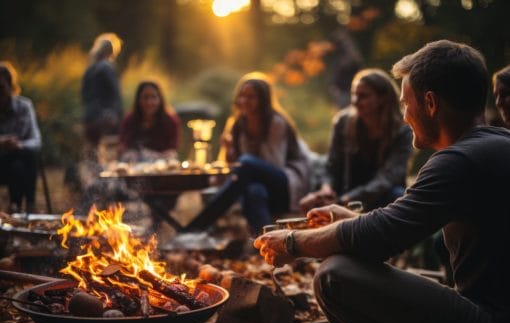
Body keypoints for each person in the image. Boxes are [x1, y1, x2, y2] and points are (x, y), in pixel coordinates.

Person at [254, 40, 509, 323]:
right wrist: (353, 220)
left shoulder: (458, 160)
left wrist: (292, 243)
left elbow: (381, 239)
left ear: (430, 103)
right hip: (492, 314)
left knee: (335, 275)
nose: (404, 116)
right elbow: (400, 225)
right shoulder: (495, 145)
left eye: (406, 104)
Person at [188, 72, 310, 235]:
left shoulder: (276, 122)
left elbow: (274, 164)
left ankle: (198, 226)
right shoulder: (238, 124)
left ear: (263, 100)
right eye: (242, 96)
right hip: (260, 185)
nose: (244, 101)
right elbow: (235, 167)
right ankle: (269, 241)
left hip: (286, 184)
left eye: (251, 97)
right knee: (254, 191)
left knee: (247, 163)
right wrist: (230, 151)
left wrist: (246, 164)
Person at [299, 68, 413, 213]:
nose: (355, 101)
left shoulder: (402, 131)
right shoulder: (343, 122)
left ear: (382, 98)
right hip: (344, 193)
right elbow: (332, 164)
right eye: (354, 94)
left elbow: (387, 178)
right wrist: (326, 189)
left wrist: (348, 199)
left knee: (397, 195)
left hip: (381, 196)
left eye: (363, 96)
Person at [0, 61, 42, 213]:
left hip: (19, 162)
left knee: (23, 159)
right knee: (19, 162)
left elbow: (36, 141)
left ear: (10, 86)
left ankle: (21, 206)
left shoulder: (24, 106)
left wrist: (19, 146)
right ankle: (22, 207)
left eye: (1, 88)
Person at [118, 81, 180, 162]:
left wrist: (156, 156)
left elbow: (172, 149)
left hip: (161, 163)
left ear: (160, 99)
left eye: (153, 97)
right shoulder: (129, 120)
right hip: (135, 165)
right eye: (145, 97)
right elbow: (122, 146)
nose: (149, 102)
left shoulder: (170, 121)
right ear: (138, 100)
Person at [81, 33, 123, 152]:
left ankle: (95, 169)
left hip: (89, 116)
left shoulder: (90, 69)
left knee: (93, 152)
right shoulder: (107, 67)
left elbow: (84, 95)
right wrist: (119, 115)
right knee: (109, 151)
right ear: (112, 51)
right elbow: (115, 93)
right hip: (105, 118)